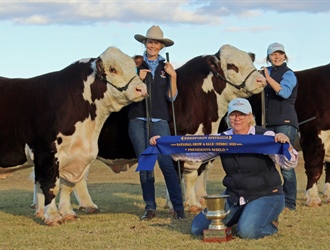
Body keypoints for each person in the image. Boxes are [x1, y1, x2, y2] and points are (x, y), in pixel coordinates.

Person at [149, 98, 298, 239]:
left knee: (247, 232)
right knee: (197, 229)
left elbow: (288, 163)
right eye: (233, 114)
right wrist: (164, 145)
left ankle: (269, 223)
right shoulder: (222, 138)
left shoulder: (265, 136)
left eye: (242, 114)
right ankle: (246, 215)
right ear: (228, 117)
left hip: (265, 194)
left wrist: (286, 145)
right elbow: (198, 153)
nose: (237, 118)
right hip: (234, 196)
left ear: (250, 117)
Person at [127, 25, 185, 220]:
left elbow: (172, 97)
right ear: (145, 43)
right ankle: (150, 207)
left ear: (161, 46)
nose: (152, 45)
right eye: (150, 42)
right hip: (138, 119)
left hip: (160, 120)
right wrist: (136, 75)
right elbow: (125, 94)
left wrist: (174, 76)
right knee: (146, 164)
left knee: (167, 164)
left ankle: (178, 208)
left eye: (156, 43)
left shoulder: (165, 67)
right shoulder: (133, 65)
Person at [262, 42, 299, 211]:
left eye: (280, 54)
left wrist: (267, 79)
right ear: (268, 57)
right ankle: (268, 197)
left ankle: (290, 203)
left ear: (285, 56)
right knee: (265, 162)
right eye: (273, 54)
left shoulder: (289, 74)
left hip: (285, 124)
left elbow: (284, 92)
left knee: (285, 164)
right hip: (267, 123)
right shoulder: (265, 72)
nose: (277, 57)